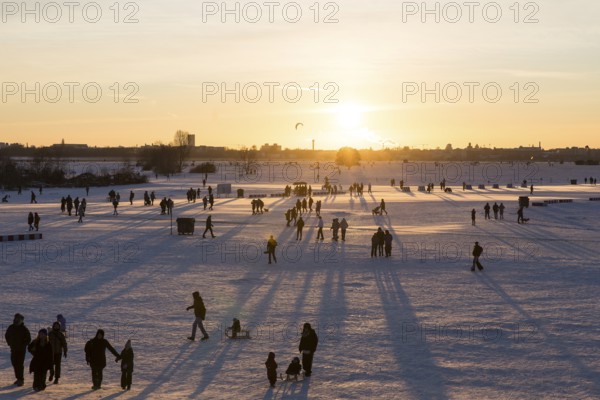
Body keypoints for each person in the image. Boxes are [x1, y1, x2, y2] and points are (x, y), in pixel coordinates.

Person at [5, 313, 31, 386]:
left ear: (21, 320)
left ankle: (21, 379)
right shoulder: (11, 327)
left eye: (19, 319)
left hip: (21, 350)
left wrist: (23, 345)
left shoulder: (24, 329)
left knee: (19, 364)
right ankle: (18, 378)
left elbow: (28, 339)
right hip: (13, 349)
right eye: (16, 318)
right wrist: (9, 343)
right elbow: (7, 335)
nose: (17, 320)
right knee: (14, 363)